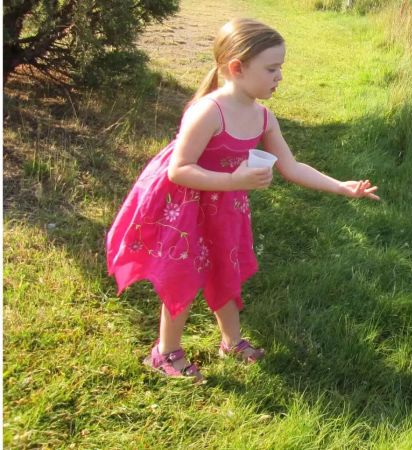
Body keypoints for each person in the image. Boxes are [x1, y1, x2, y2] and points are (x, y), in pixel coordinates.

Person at [106, 18, 380, 381]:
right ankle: (165, 352)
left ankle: (231, 341)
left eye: (280, 67)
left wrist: (341, 187)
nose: (279, 76)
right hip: (187, 207)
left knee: (226, 269)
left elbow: (292, 166)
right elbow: (178, 170)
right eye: (271, 68)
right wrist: (234, 179)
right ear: (236, 68)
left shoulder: (264, 117)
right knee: (184, 276)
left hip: (225, 209)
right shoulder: (208, 111)